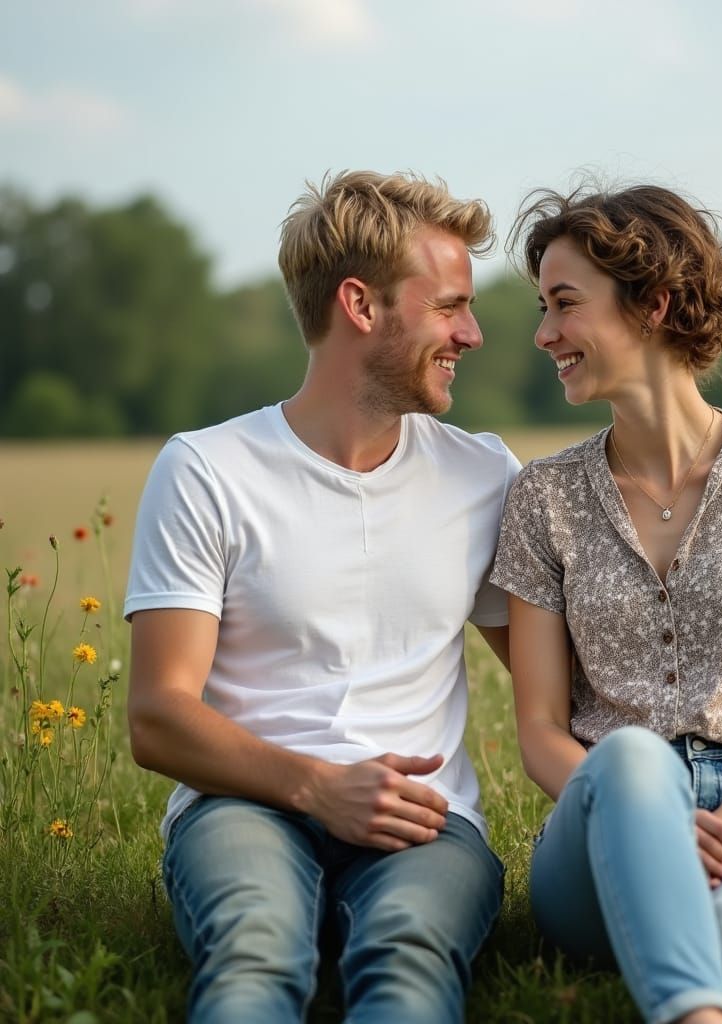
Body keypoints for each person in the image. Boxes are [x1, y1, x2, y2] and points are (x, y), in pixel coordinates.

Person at [124, 170, 520, 1023]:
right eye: (450, 305)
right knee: (255, 945)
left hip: (427, 822)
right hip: (242, 807)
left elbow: (566, 679)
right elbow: (157, 716)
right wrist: (315, 786)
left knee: (410, 953)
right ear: (360, 305)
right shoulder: (206, 470)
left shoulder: (483, 476)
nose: (473, 333)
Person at [490, 183, 722, 1024]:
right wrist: (660, 826)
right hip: (604, 829)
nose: (543, 333)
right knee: (631, 757)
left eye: (564, 305)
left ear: (653, 304)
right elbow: (541, 733)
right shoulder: (541, 497)